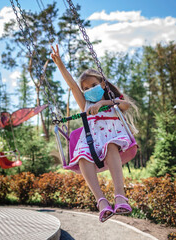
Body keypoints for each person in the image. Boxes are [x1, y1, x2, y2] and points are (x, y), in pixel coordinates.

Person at [50, 44, 138, 223]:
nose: (90, 89)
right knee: (82, 157)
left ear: (103, 84)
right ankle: (101, 202)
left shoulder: (114, 101)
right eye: (86, 88)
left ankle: (120, 196)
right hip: (91, 141)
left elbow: (126, 105)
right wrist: (60, 65)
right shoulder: (86, 104)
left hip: (111, 138)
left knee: (111, 147)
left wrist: (105, 102)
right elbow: (72, 85)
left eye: (94, 85)